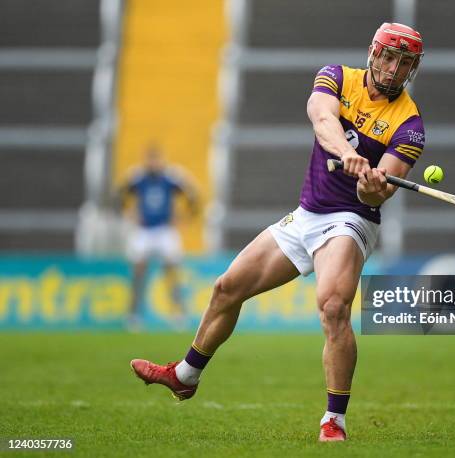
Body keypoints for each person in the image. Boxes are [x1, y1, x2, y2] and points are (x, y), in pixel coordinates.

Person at [131, 22, 425, 441]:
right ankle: (185, 375)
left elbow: (377, 196)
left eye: (404, 63)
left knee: (333, 307)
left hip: (351, 219)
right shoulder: (338, 77)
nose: (394, 69)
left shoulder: (410, 125)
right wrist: (349, 153)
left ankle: (334, 421)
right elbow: (321, 119)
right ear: (373, 52)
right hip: (306, 214)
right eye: (389, 57)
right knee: (226, 287)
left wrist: (370, 183)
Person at [117, 145, 200, 329]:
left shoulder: (170, 177)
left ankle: (178, 314)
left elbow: (193, 194)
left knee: (172, 271)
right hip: (144, 230)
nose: (154, 163)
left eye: (156, 159)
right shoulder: (138, 177)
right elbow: (119, 194)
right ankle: (133, 315)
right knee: (139, 272)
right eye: (151, 159)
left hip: (164, 230)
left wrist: (185, 216)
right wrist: (128, 212)